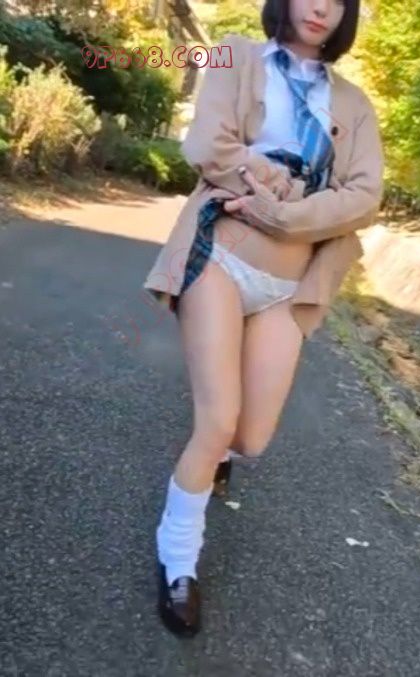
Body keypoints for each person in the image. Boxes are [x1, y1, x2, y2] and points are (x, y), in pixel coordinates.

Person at [141, 0, 384, 637]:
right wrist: (279, 176)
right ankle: (178, 561)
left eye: (338, 0)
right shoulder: (234, 53)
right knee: (217, 420)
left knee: (249, 440)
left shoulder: (353, 103)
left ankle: (217, 453)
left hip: (287, 286)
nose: (321, 7)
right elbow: (206, 144)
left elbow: (364, 197)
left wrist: (281, 211)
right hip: (219, 257)